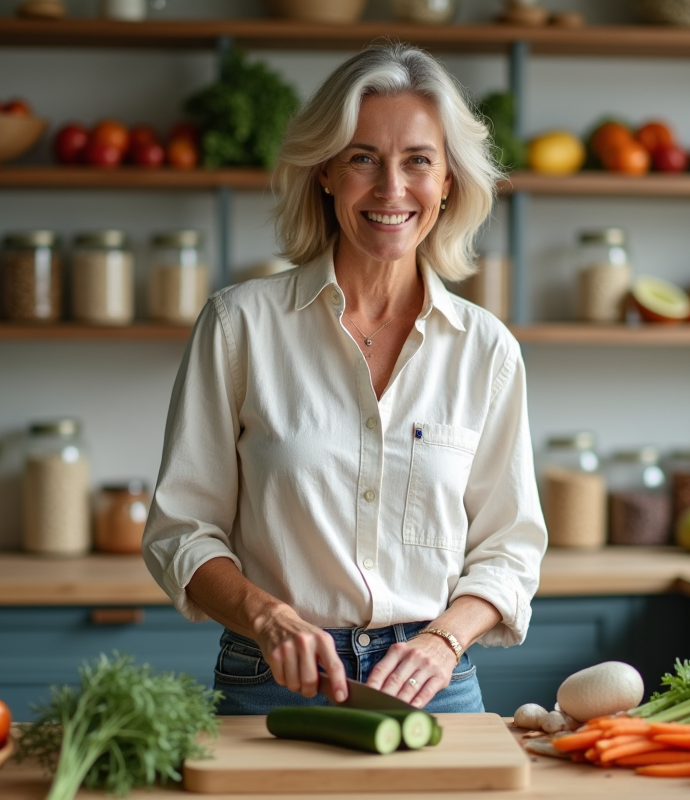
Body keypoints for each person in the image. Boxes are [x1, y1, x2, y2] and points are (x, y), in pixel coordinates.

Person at [142, 42, 547, 715]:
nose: (392, 189)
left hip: (434, 683)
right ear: (325, 172)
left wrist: (445, 640)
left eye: (418, 161)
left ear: (448, 181)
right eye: (363, 159)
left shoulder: (486, 350)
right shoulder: (239, 326)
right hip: (271, 678)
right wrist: (268, 617)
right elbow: (181, 530)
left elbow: (509, 549)